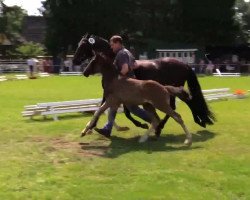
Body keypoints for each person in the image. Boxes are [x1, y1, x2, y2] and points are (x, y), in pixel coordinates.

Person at [94, 35, 152, 138]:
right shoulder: (127, 52)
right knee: (126, 108)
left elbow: (124, 69)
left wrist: (117, 80)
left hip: (125, 87)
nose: (111, 47)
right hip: (131, 84)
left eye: (112, 45)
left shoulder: (121, 54)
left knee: (130, 108)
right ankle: (108, 128)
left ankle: (155, 121)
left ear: (117, 43)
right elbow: (135, 65)